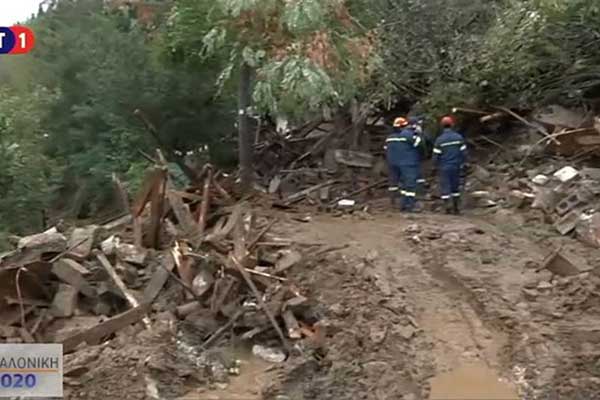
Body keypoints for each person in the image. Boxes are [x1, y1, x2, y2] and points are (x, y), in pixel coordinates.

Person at [384, 116, 422, 212]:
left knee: (400, 185)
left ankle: (399, 204)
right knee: (410, 185)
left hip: (393, 164)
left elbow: (386, 149)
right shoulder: (408, 135)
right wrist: (418, 133)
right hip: (408, 164)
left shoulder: (389, 138)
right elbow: (420, 144)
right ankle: (409, 205)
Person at [432, 115, 467, 214]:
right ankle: (456, 207)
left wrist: (434, 166)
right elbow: (464, 153)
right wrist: (464, 163)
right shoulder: (458, 137)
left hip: (444, 167)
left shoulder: (439, 140)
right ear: (452, 125)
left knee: (445, 186)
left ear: (442, 126)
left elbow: (436, 156)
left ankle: (447, 207)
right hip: (456, 166)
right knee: (455, 186)